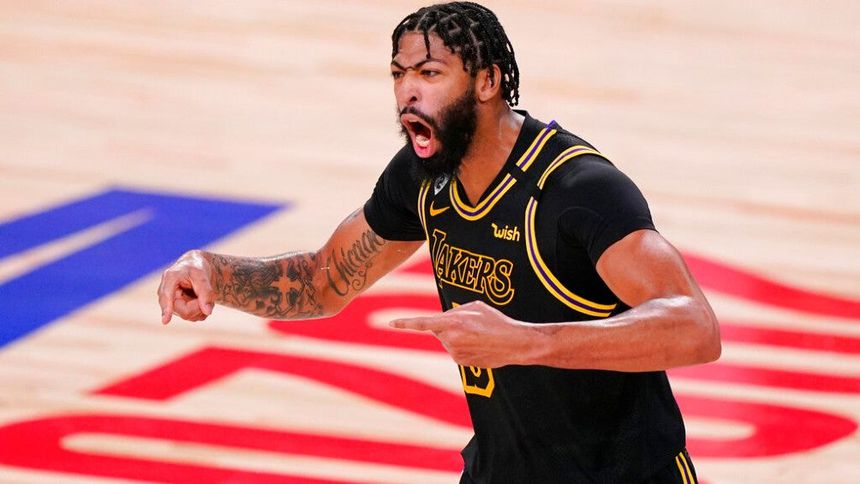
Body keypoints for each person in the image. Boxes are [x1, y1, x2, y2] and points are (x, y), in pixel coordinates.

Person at [157, 2, 720, 482]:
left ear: (487, 82)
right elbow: (322, 282)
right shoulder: (424, 178)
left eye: (429, 73)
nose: (407, 91)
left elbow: (696, 327)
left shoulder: (575, 189)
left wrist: (526, 342)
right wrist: (213, 272)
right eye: (398, 74)